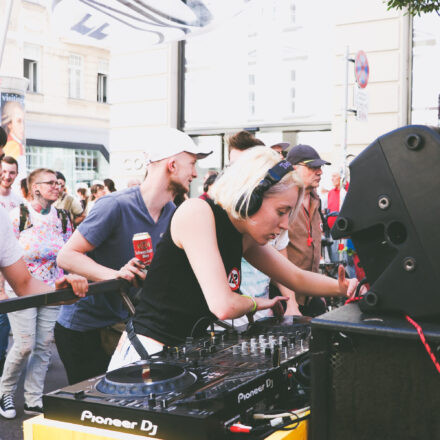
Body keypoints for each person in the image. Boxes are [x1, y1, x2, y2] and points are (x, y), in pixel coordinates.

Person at [108, 147, 359, 370]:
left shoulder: (243, 234)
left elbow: (295, 277)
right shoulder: (197, 213)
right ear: (252, 197)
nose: (285, 224)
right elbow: (223, 305)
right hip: (146, 354)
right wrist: (260, 302)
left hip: (182, 354)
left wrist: (342, 287)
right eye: (281, 211)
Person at [55, 128, 212, 384]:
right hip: (85, 330)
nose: (195, 173)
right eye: (192, 164)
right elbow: (67, 256)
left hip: (126, 327)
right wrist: (116, 276)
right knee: (96, 409)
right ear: (171, 165)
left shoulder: (173, 212)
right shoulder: (115, 205)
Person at [0, 167, 87, 419]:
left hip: (51, 289)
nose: (56, 187)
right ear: (35, 187)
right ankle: (5, 390)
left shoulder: (62, 217)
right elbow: (4, 255)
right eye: (50, 183)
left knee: (43, 346)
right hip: (21, 290)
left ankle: (33, 399)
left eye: (58, 183)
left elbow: (70, 253)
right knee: (25, 344)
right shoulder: (18, 216)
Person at [285, 144, 332, 317]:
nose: (319, 172)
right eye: (313, 167)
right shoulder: (282, 203)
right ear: (294, 169)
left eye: (320, 167)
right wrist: (289, 302)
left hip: (311, 296)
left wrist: (318, 292)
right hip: (286, 300)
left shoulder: (316, 201)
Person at [0, 155, 22, 376]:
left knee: (4, 322)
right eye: (4, 170)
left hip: (11, 270)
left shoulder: (18, 201)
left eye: (12, 172)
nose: (7, 176)